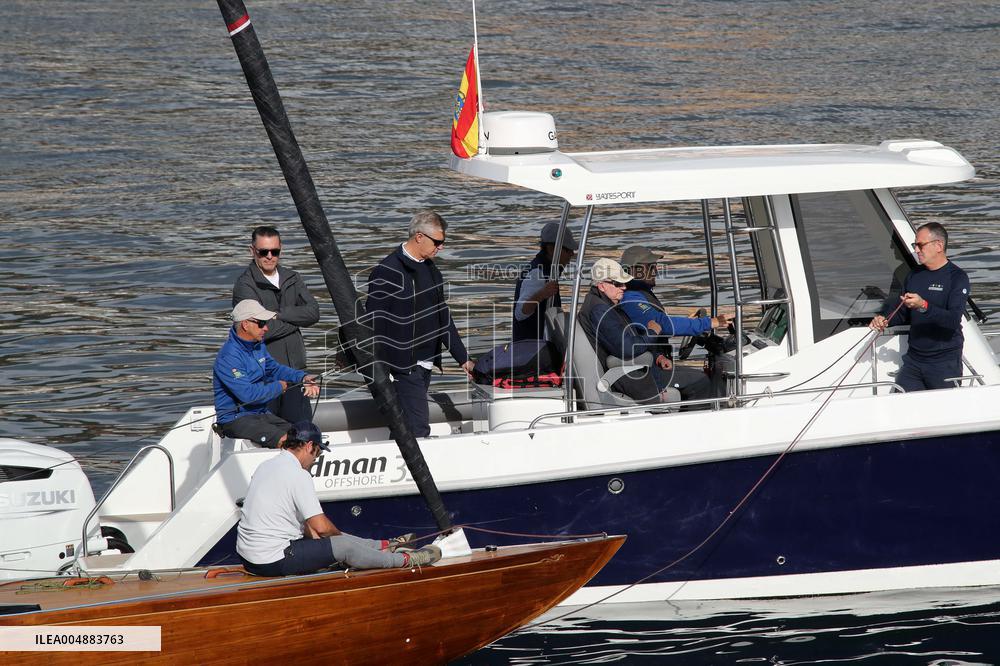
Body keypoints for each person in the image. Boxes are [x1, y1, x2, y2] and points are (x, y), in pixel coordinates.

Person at [237, 421, 441, 576]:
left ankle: (384, 546)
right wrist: (333, 542)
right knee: (342, 545)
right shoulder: (297, 474)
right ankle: (405, 560)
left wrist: (325, 542)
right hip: (272, 559)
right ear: (309, 446)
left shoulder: (266, 466)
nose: (315, 460)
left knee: (334, 540)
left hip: (249, 557)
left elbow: (307, 527)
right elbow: (322, 527)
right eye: (317, 454)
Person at [364, 210, 475, 438]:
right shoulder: (387, 271)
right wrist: (381, 368)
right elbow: (374, 323)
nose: (441, 247)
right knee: (417, 427)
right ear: (419, 237)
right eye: (438, 242)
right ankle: (419, 472)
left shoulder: (432, 271)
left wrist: (462, 358)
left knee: (405, 425)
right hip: (400, 365)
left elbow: (443, 317)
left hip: (425, 362)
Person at [580, 258, 713, 405]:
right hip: (629, 377)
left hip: (633, 369)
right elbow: (628, 348)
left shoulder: (603, 304)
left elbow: (627, 339)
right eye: (618, 283)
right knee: (701, 380)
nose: (623, 287)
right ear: (602, 286)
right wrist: (652, 332)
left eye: (624, 283)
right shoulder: (600, 311)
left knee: (691, 375)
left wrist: (657, 357)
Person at [233, 225, 320, 423]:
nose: (270, 256)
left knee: (300, 431)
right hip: (264, 376)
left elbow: (313, 313)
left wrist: (278, 315)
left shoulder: (292, 277)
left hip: (296, 372)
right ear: (252, 251)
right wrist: (297, 321)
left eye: (275, 251)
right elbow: (261, 330)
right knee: (271, 434)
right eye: (263, 252)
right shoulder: (245, 285)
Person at [870, 222, 970, 391]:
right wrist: (885, 320)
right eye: (915, 245)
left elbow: (952, 320)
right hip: (914, 359)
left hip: (943, 362)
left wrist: (923, 305)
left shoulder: (957, 278)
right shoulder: (914, 275)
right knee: (900, 406)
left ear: (938, 245)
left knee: (943, 412)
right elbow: (902, 312)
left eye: (920, 245)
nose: (916, 250)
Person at [214, 299, 321, 448]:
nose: (266, 328)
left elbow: (275, 369)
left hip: (261, 414)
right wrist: (279, 387)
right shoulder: (229, 357)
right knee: (292, 443)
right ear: (245, 324)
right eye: (261, 323)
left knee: (301, 436)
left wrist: (302, 377)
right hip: (234, 420)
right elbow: (248, 395)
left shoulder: (258, 345)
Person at [512, 222, 578, 342]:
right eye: (568, 250)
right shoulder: (537, 273)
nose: (572, 254)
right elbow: (520, 313)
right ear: (552, 249)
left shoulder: (549, 270)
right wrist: (542, 294)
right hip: (533, 352)